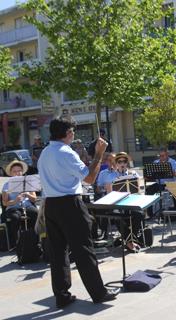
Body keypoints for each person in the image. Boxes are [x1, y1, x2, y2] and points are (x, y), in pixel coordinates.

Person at [38, 117, 118, 308]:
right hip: (69, 204)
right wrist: (99, 154)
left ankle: (62, 295)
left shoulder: (45, 152)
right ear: (67, 134)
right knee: (83, 249)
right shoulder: (66, 152)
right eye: (72, 131)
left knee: (58, 253)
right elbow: (90, 178)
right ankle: (98, 293)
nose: (74, 134)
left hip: (51, 205)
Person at [109, 152, 142, 252]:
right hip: (118, 204)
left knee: (139, 214)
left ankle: (130, 240)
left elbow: (139, 189)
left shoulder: (134, 174)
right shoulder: (112, 176)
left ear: (127, 163)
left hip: (131, 202)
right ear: (116, 164)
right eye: (120, 162)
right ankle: (130, 242)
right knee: (117, 216)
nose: (122, 163)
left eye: (124, 161)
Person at [1, 160, 38, 246]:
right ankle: (18, 243)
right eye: (15, 171)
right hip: (13, 207)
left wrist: (28, 194)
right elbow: (4, 203)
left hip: (27, 206)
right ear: (10, 173)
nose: (17, 173)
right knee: (15, 217)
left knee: (35, 213)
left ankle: (34, 241)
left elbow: (34, 199)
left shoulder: (27, 183)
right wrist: (15, 201)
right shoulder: (6, 185)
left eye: (19, 171)